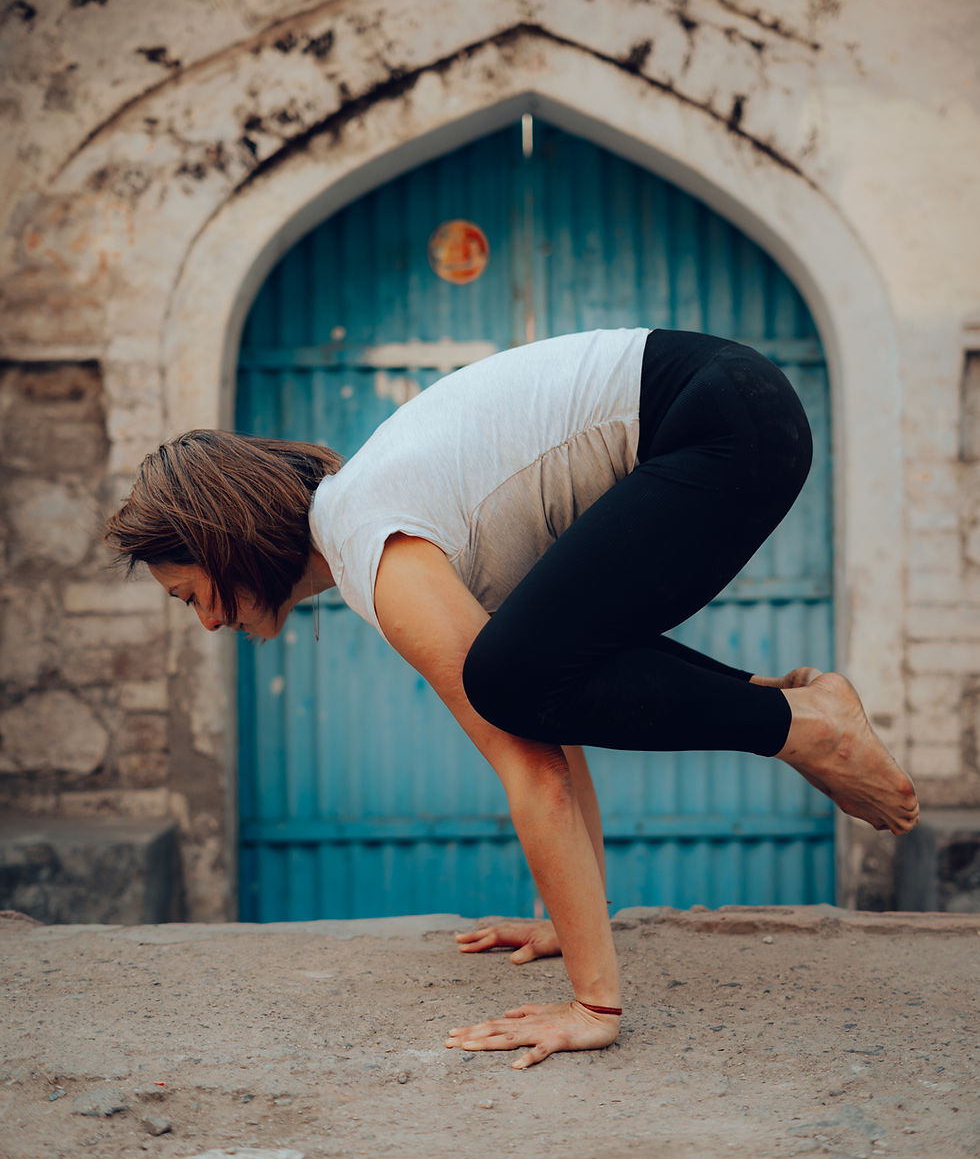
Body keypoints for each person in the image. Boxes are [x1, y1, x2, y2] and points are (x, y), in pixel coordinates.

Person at [104, 326, 919, 1069]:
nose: (208, 621)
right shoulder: (382, 524)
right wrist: (564, 924)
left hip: (720, 423)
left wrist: (593, 1005)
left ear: (222, 540)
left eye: (192, 594)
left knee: (506, 683)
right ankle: (793, 717)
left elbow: (533, 769)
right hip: (737, 411)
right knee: (528, 677)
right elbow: (551, 722)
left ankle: (800, 722)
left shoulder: (371, 545)